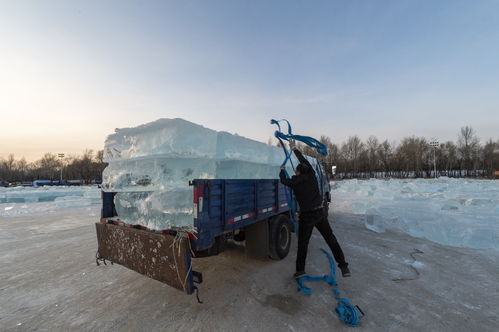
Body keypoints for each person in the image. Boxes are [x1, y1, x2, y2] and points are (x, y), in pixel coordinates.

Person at [279, 149, 350, 279]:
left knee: (303, 244)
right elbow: (304, 162)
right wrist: (295, 150)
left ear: (298, 172)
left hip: (307, 217)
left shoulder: (294, 182)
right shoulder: (311, 175)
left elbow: (284, 180)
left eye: (296, 171)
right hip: (320, 213)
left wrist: (282, 170)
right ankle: (344, 266)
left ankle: (300, 271)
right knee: (331, 239)